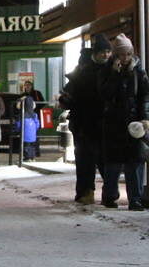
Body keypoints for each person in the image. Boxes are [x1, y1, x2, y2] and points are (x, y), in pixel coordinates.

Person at [97, 34, 149, 210]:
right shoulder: (108, 71)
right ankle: (110, 197)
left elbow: (144, 97)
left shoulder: (139, 72)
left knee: (135, 162)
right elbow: (105, 94)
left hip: (134, 125)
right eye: (121, 54)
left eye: (128, 54)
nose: (125, 58)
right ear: (116, 55)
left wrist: (145, 118)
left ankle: (135, 198)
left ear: (132, 52)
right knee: (113, 163)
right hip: (113, 124)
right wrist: (114, 74)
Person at [59, 35, 111, 204]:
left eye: (108, 51)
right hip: (84, 123)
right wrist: (65, 100)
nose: (106, 55)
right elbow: (69, 94)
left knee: (106, 160)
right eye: (103, 52)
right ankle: (85, 193)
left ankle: (109, 193)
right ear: (95, 53)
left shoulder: (113, 69)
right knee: (85, 160)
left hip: (105, 123)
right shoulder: (82, 71)